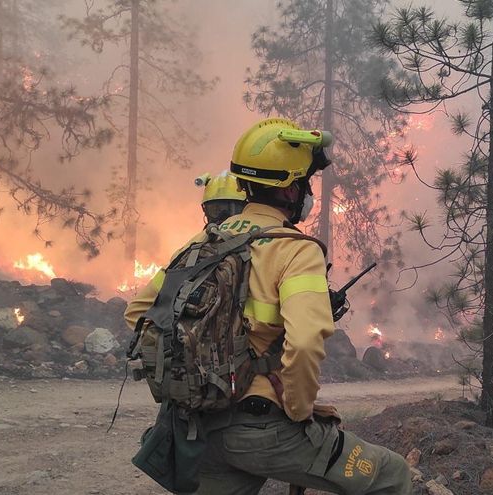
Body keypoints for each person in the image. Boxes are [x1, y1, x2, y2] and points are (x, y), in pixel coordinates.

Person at [124, 117, 411, 495]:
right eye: (304, 182)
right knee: (392, 474)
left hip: (197, 429)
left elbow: (138, 314)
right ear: (291, 191)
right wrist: (297, 410)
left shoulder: (200, 243)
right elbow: (306, 342)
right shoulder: (296, 250)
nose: (307, 191)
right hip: (262, 431)